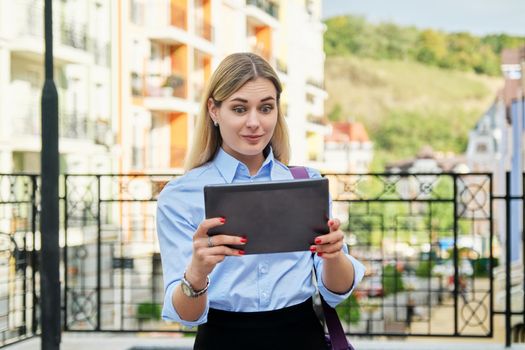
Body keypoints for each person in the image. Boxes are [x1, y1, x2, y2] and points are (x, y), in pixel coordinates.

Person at [156, 52, 365, 350]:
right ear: (214, 111)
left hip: (303, 338)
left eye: (266, 108)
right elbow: (186, 317)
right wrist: (197, 273)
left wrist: (334, 255)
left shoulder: (305, 182)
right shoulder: (179, 196)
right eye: (239, 109)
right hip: (222, 341)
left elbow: (337, 291)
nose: (254, 122)